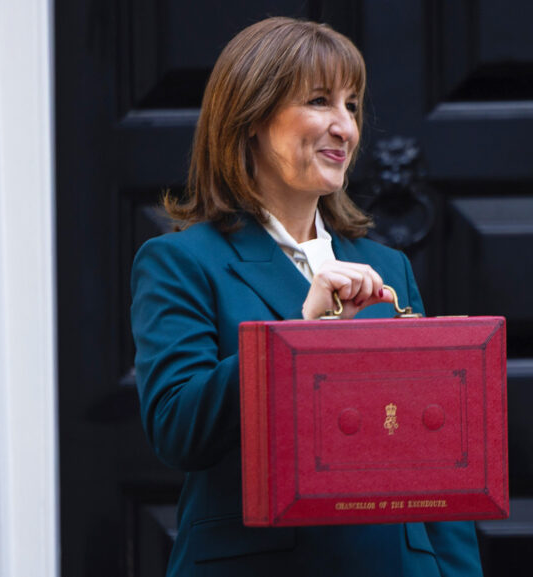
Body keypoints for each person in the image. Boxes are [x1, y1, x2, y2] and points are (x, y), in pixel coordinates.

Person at [130, 16, 483, 576]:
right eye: (320, 101)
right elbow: (179, 432)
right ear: (250, 118)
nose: (345, 126)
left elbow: (435, 457)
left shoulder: (388, 267)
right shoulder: (181, 262)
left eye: (352, 105)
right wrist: (299, 339)